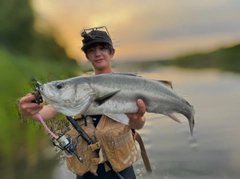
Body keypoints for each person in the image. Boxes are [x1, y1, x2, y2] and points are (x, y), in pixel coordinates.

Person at [18, 26, 146, 179]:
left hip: (122, 171)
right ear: (87, 56)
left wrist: (135, 117)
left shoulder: (127, 84)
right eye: (91, 50)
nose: (97, 53)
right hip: (87, 172)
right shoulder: (76, 89)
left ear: (111, 52)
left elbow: (139, 124)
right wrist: (27, 110)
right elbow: (46, 112)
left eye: (102, 48)